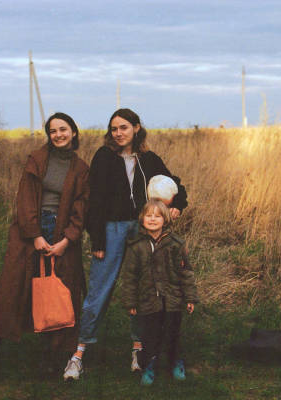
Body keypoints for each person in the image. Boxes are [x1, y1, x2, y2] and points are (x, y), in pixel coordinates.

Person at [62, 108, 188, 380]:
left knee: (142, 291)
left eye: (124, 128)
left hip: (141, 232)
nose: (118, 133)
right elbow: (93, 200)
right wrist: (97, 238)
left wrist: (176, 205)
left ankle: (138, 349)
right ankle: (79, 353)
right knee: (99, 291)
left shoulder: (149, 159)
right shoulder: (104, 157)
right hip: (111, 231)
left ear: (136, 128)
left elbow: (174, 184)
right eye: (114, 129)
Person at [0, 112, 89, 378]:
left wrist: (67, 240)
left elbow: (81, 207)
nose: (58, 135)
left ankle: (49, 356)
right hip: (29, 231)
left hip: (62, 231)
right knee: (11, 290)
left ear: (74, 132)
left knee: (58, 292)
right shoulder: (38, 159)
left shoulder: (80, 169)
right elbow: (26, 200)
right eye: (53, 131)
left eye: (63, 129)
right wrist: (34, 234)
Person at [120, 199, 198, 385]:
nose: (153, 219)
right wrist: (130, 302)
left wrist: (190, 298)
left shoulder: (176, 244)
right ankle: (149, 366)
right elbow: (129, 276)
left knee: (172, 333)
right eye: (149, 215)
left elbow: (186, 272)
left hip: (172, 299)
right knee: (149, 336)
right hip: (148, 300)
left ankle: (175, 362)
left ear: (166, 220)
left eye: (158, 216)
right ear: (142, 218)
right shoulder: (136, 245)